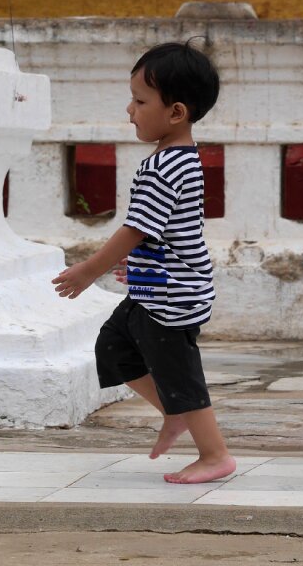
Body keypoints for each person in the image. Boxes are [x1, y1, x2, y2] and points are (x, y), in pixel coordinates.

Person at [53, 41, 235, 485]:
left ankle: (215, 455)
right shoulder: (172, 158)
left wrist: (88, 271)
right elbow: (153, 230)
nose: (130, 110)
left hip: (173, 297)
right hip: (156, 290)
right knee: (113, 350)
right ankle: (175, 412)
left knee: (182, 376)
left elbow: (135, 230)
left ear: (175, 112)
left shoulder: (166, 168)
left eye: (139, 101)